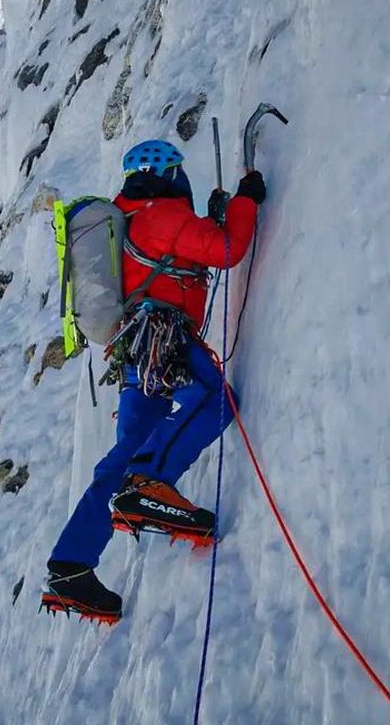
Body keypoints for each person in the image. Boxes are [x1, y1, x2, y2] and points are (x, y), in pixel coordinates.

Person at [41, 139, 266, 623]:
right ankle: (151, 483)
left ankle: (72, 564)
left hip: (132, 351)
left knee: (126, 452)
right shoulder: (160, 213)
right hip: (164, 340)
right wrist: (246, 199)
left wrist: (211, 218)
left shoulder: (126, 222)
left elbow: (185, 255)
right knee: (215, 400)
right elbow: (226, 250)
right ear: (171, 175)